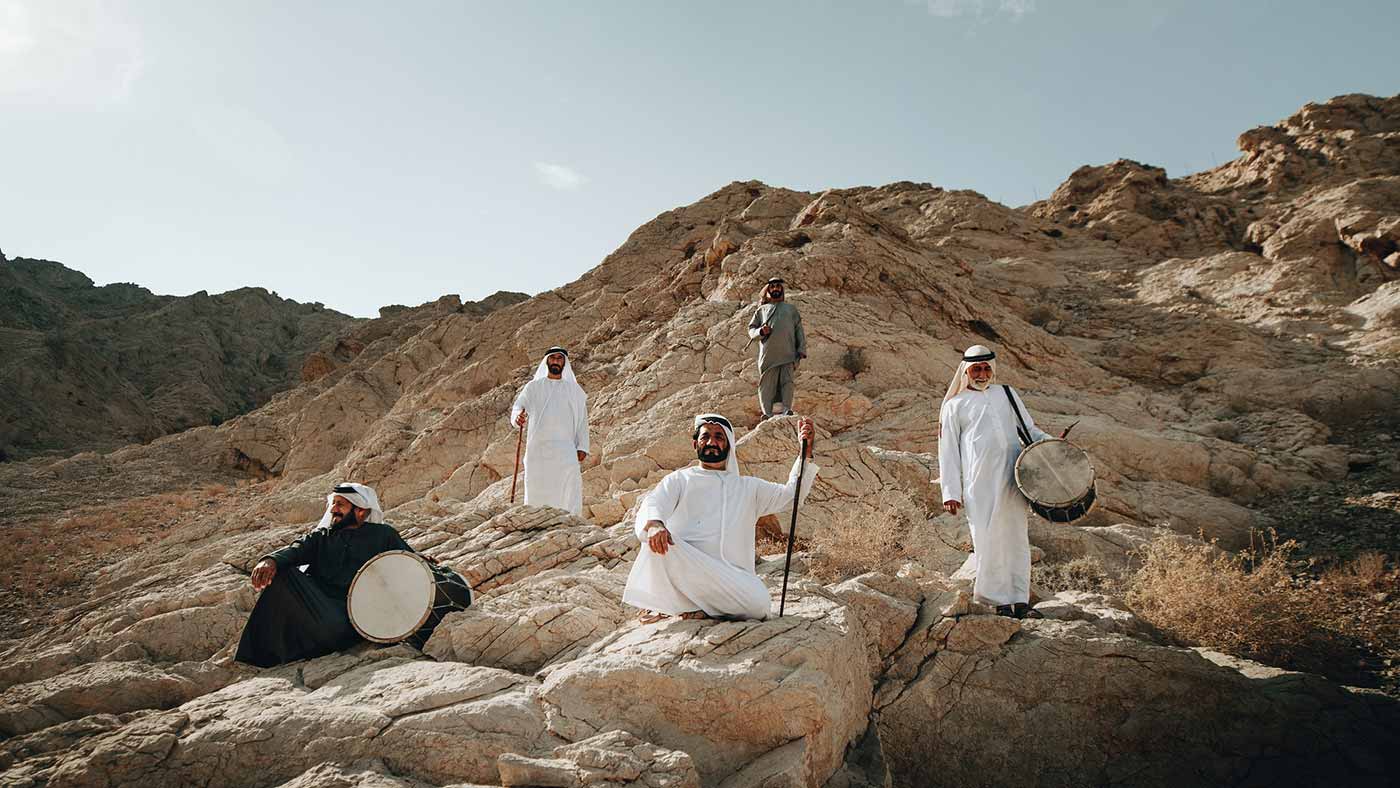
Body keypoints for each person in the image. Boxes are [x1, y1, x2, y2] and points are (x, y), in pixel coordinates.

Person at [622, 413, 819, 622]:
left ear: (729, 445)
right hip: (688, 568)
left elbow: (791, 497)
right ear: (695, 444)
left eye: (718, 437)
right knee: (657, 541)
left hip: (731, 578)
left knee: (760, 603)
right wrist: (655, 525)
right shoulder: (680, 479)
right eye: (705, 437)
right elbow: (654, 502)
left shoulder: (748, 487)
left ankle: (698, 609)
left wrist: (804, 455)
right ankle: (682, 605)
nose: (711, 442)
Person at [235, 483, 416, 667]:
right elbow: (296, 550)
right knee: (283, 572)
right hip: (319, 610)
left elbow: (410, 564)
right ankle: (263, 654)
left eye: (340, 505)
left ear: (361, 511)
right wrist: (271, 560)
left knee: (335, 625)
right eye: (333, 503)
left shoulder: (383, 535)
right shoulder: (322, 537)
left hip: (353, 620)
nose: (333, 510)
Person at [936, 345, 1052, 619]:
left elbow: (1029, 430)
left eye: (987, 368)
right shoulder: (954, 405)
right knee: (987, 540)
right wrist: (950, 492)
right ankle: (998, 602)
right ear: (966, 372)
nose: (982, 373)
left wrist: (1053, 446)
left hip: (1013, 478)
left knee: (1016, 539)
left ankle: (1020, 600)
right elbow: (947, 451)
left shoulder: (1007, 394)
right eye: (976, 369)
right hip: (979, 484)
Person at [510, 347, 591, 516]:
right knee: (537, 492)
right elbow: (518, 407)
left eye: (559, 358)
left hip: (565, 450)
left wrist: (582, 446)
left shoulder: (574, 390)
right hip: (537, 451)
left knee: (569, 488)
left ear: (564, 363)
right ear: (547, 361)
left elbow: (583, 420)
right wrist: (517, 417)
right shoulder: (533, 387)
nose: (555, 361)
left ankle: (570, 523)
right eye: (552, 358)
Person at [747, 277, 807, 419]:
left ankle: (787, 409)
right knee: (766, 384)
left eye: (778, 286)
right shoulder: (761, 310)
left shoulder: (791, 309)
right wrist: (761, 331)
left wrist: (801, 349)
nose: (775, 289)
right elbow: (751, 330)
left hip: (788, 353)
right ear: (768, 290)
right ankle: (767, 413)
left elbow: (799, 329)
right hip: (768, 354)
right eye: (772, 286)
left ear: (782, 289)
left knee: (787, 382)